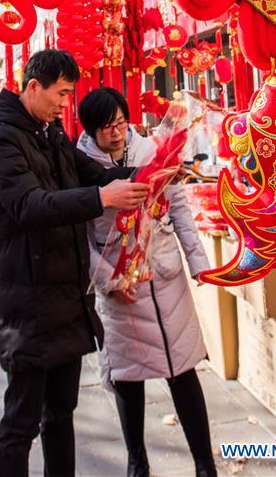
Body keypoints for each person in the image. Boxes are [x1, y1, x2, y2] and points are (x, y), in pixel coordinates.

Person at [0, 51, 150, 477]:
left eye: (69, 96)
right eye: (61, 94)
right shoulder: (1, 139)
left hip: (67, 297)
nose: (64, 105)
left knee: (61, 414)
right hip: (29, 302)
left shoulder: (50, 132)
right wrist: (100, 200)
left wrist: (148, 174)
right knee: (21, 423)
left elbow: (91, 173)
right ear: (33, 86)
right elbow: (27, 205)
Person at [77, 87, 217, 477]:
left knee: (183, 370)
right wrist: (107, 279)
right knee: (128, 377)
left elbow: (180, 209)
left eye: (121, 123)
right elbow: (80, 236)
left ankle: (205, 464)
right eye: (107, 129)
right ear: (91, 131)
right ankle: (137, 460)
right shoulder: (79, 164)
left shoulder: (152, 149)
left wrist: (198, 262)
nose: (117, 133)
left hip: (165, 274)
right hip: (122, 285)